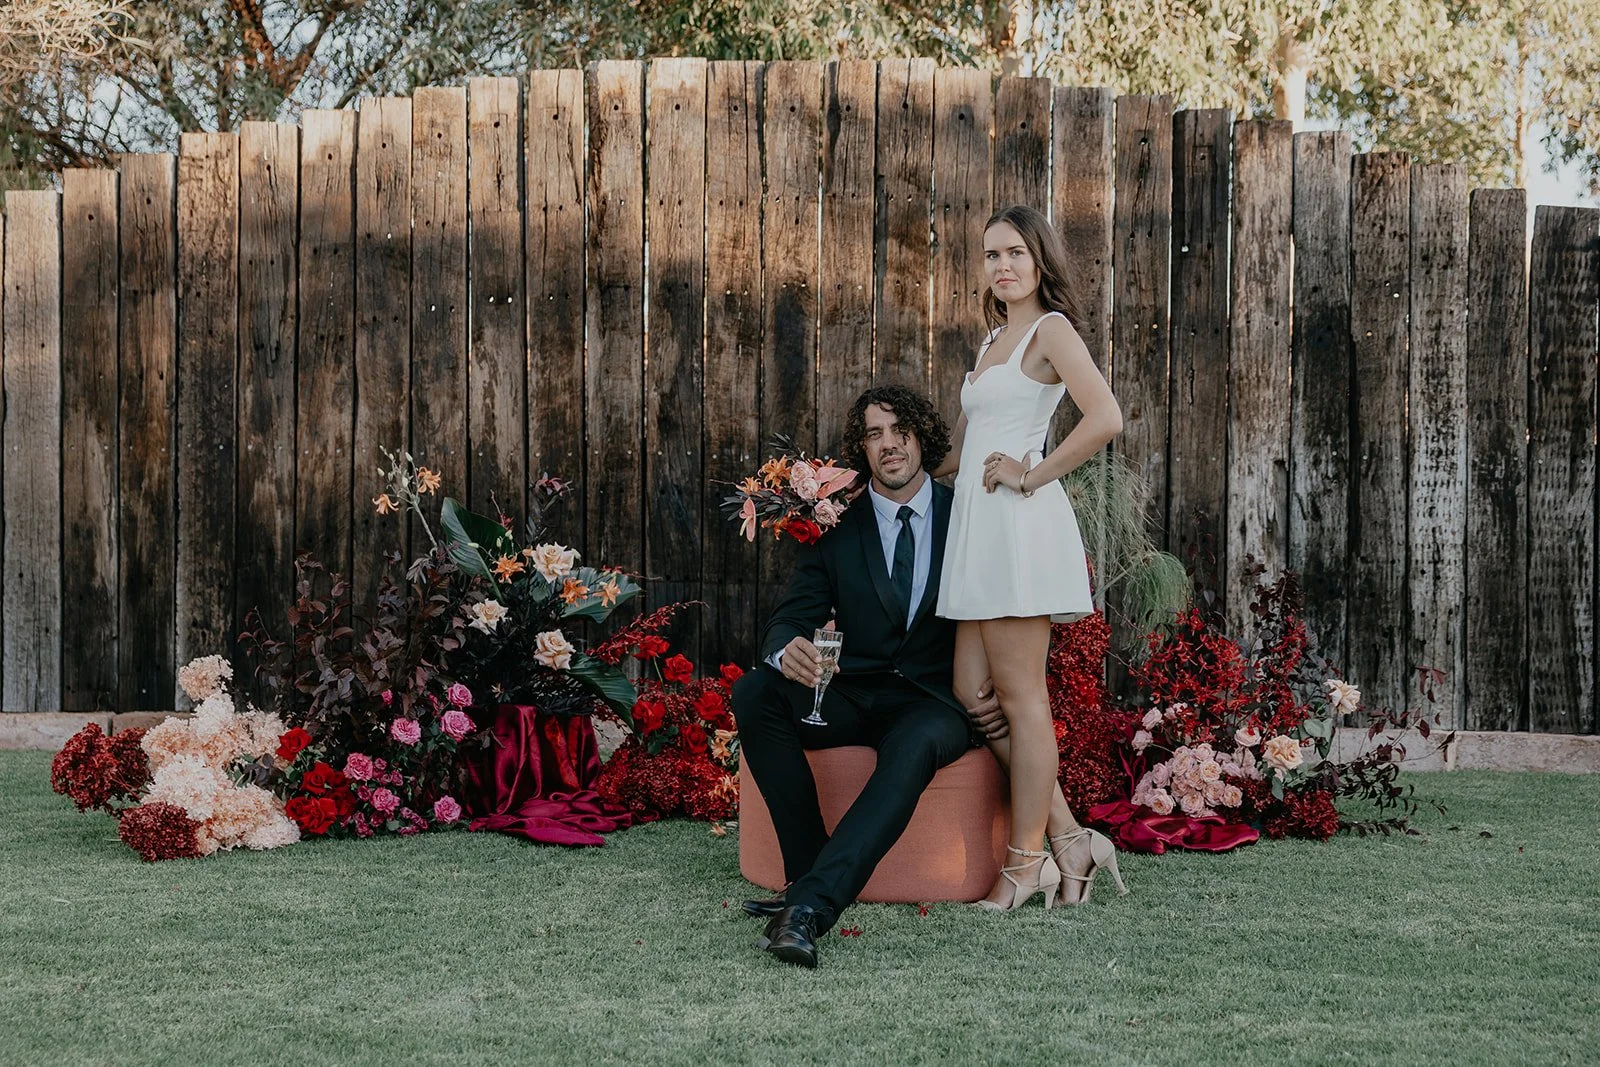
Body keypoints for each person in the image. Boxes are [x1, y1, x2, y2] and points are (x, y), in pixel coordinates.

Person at [731, 385, 1004, 968]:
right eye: (874, 434)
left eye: (900, 429)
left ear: (922, 436)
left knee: (915, 743)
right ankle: (808, 873)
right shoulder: (834, 528)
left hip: (935, 700)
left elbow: (1007, 608)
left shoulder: (971, 515)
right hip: (852, 690)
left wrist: (1007, 690)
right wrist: (787, 652)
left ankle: (809, 908)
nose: (889, 444)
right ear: (861, 449)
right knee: (755, 691)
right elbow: (790, 617)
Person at [931, 203, 1129, 910]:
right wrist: (858, 483)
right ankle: (1071, 836)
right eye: (991, 255)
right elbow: (955, 454)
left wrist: (1030, 471)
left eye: (1016, 252)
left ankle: (1023, 865)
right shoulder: (992, 339)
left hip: (1017, 527)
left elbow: (1104, 416)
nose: (1003, 266)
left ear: (1040, 259)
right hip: (977, 533)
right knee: (972, 693)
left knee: (1021, 700)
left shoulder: (1051, 331)